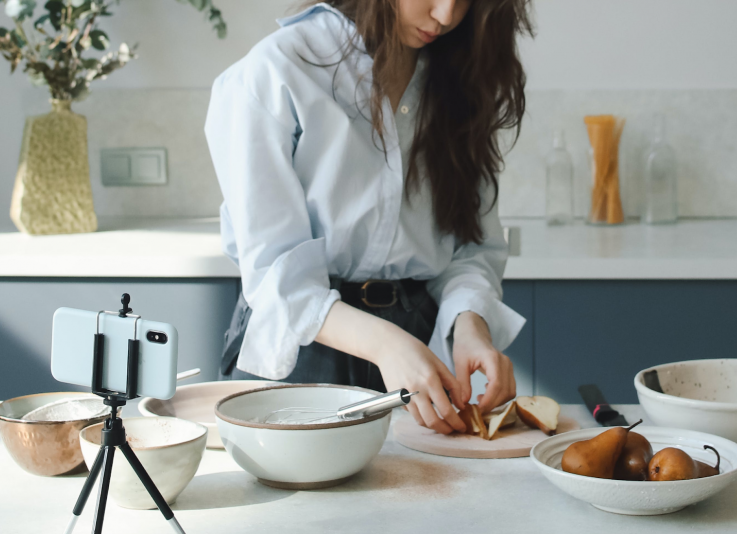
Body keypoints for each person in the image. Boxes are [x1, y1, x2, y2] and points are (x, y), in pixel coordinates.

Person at [205, 0, 533, 434]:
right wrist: (387, 345)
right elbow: (276, 279)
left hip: (417, 344)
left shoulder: (459, 76)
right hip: (304, 349)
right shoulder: (276, 71)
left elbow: (470, 249)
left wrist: (469, 324)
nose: (447, 15)